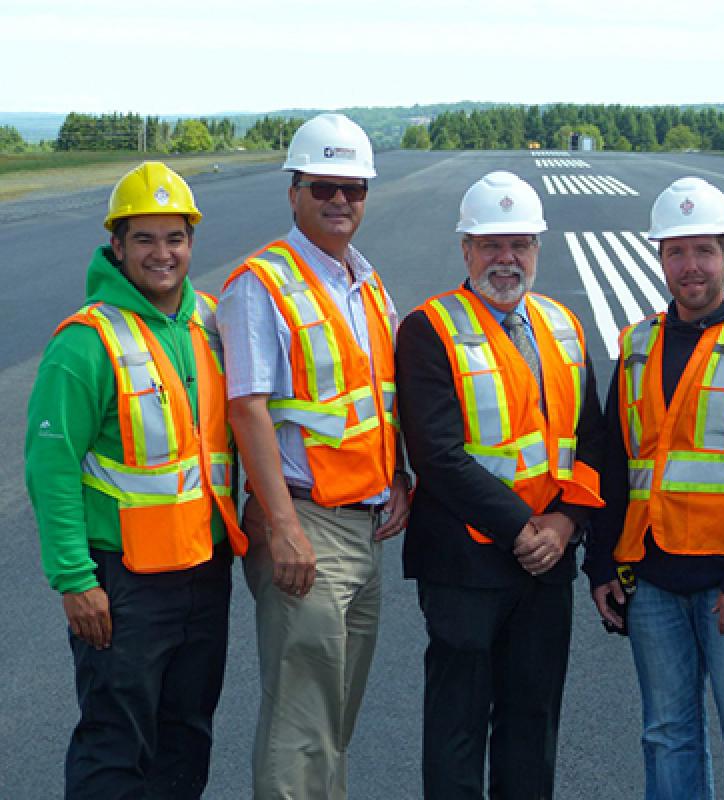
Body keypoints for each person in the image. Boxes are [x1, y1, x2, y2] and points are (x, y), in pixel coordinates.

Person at [25, 161, 247, 798]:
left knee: (186, 736)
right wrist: (75, 580)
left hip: (203, 571)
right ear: (116, 247)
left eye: (174, 238)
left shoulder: (210, 321)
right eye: (144, 239)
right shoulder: (85, 342)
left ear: (191, 243)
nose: (162, 254)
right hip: (122, 584)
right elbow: (51, 465)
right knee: (116, 744)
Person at [216, 112, 409, 799]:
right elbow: (247, 407)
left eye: (353, 188)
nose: (340, 201)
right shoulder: (260, 284)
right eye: (324, 186)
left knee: (334, 720)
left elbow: (379, 396)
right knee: (301, 723)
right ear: (294, 190)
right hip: (304, 524)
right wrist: (283, 525)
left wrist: (400, 475)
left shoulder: (365, 282)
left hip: (364, 525)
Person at [395, 170, 604, 799]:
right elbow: (437, 455)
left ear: (539, 248)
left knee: (532, 727)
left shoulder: (561, 325)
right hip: (465, 563)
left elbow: (591, 441)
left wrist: (566, 525)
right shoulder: (429, 328)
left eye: (520, 245)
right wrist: (524, 529)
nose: (505, 259)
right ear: (466, 251)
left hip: (548, 564)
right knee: (457, 728)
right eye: (490, 245)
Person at [585, 176, 724, 800]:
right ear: (660, 259)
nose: (690, 266)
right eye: (676, 252)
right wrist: (599, 565)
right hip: (650, 579)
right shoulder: (638, 342)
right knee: (666, 734)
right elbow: (615, 462)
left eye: (704, 251)